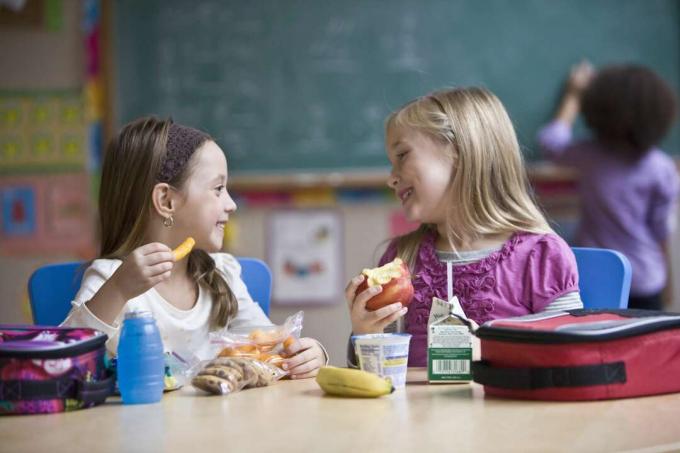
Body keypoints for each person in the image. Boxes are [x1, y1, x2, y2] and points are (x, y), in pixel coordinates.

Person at [62, 117, 326, 379]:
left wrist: (308, 355)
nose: (231, 204)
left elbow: (270, 344)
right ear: (166, 200)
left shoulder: (222, 274)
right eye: (218, 189)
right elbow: (65, 363)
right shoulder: (114, 279)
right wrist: (117, 290)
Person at [346, 87, 583, 367]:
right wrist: (365, 334)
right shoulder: (403, 260)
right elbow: (373, 377)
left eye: (402, 156)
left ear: (458, 151)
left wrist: (491, 350)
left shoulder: (540, 256)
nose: (391, 179)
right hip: (419, 412)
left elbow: (572, 357)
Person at [538, 62, 679, 310]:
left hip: (596, 277)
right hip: (646, 279)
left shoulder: (588, 156)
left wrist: (574, 95)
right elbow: (661, 232)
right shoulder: (661, 168)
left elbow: (550, 140)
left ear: (597, 111)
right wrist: (669, 284)